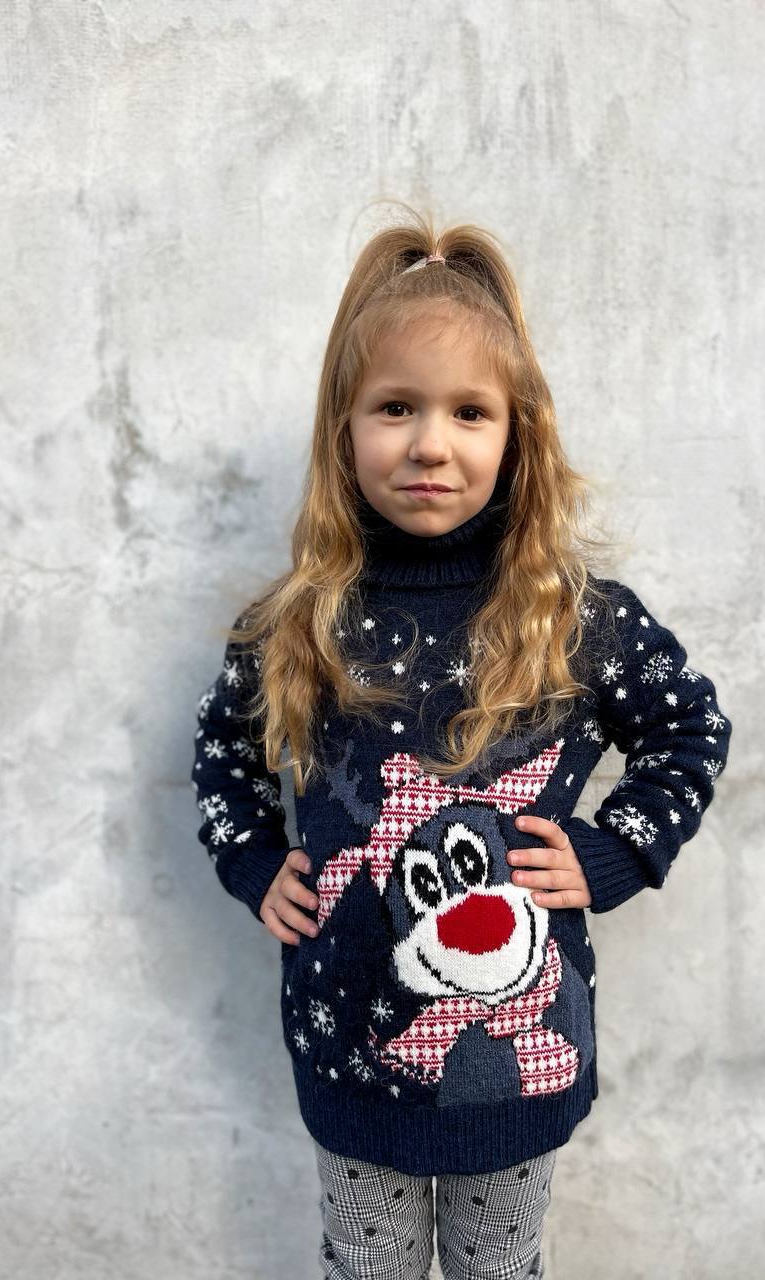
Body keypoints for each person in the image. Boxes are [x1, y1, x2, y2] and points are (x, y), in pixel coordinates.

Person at [189, 209, 733, 1280]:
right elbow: (222, 752)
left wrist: (617, 850)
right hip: (353, 1055)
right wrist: (253, 860)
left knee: (501, 1264)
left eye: (468, 412)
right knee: (366, 1264)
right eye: (396, 406)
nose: (430, 444)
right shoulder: (299, 621)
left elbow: (690, 730)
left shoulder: (569, 616)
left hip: (522, 1064)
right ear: (344, 429)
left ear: (516, 433)